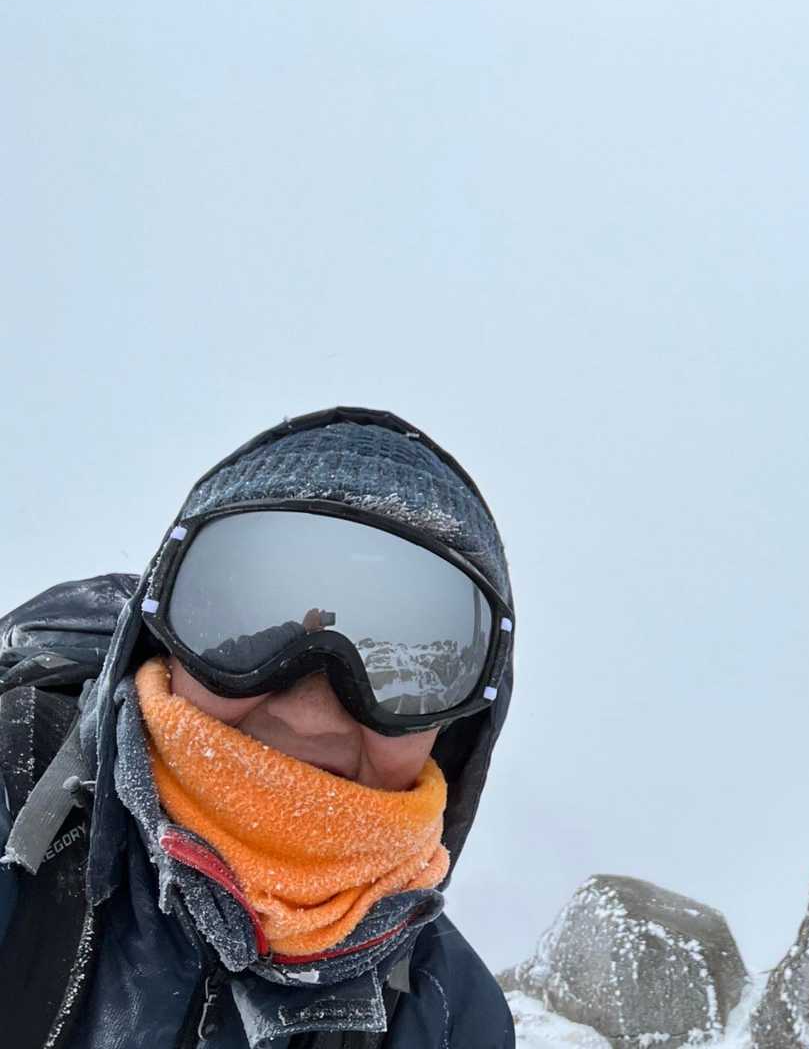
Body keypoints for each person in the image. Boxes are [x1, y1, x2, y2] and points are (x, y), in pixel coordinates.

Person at [0, 406, 517, 1048]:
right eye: (241, 630)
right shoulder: (15, 793)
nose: (310, 714)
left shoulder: (451, 1017)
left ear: (458, 729)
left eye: (409, 675)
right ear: (160, 639)